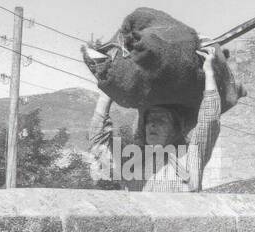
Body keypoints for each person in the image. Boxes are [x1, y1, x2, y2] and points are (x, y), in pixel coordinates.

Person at [89, 45, 222, 192]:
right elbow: (98, 140)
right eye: (149, 121)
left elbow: (209, 119)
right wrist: (108, 88)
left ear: (175, 130)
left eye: (161, 120)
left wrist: (209, 73)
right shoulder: (133, 165)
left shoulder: (191, 156)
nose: (152, 125)